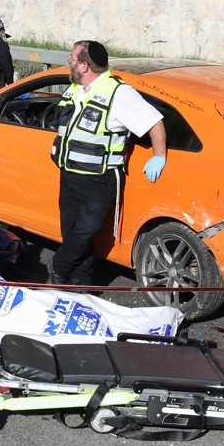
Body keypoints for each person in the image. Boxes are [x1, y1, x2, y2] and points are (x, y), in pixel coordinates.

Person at [50, 40, 168, 287]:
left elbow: (154, 122)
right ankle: (80, 280)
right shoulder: (76, 88)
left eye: (71, 59)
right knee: (71, 230)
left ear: (84, 66)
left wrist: (159, 155)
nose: (68, 63)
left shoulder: (119, 93)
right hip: (70, 173)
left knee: (85, 232)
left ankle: (59, 266)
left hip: (99, 177)